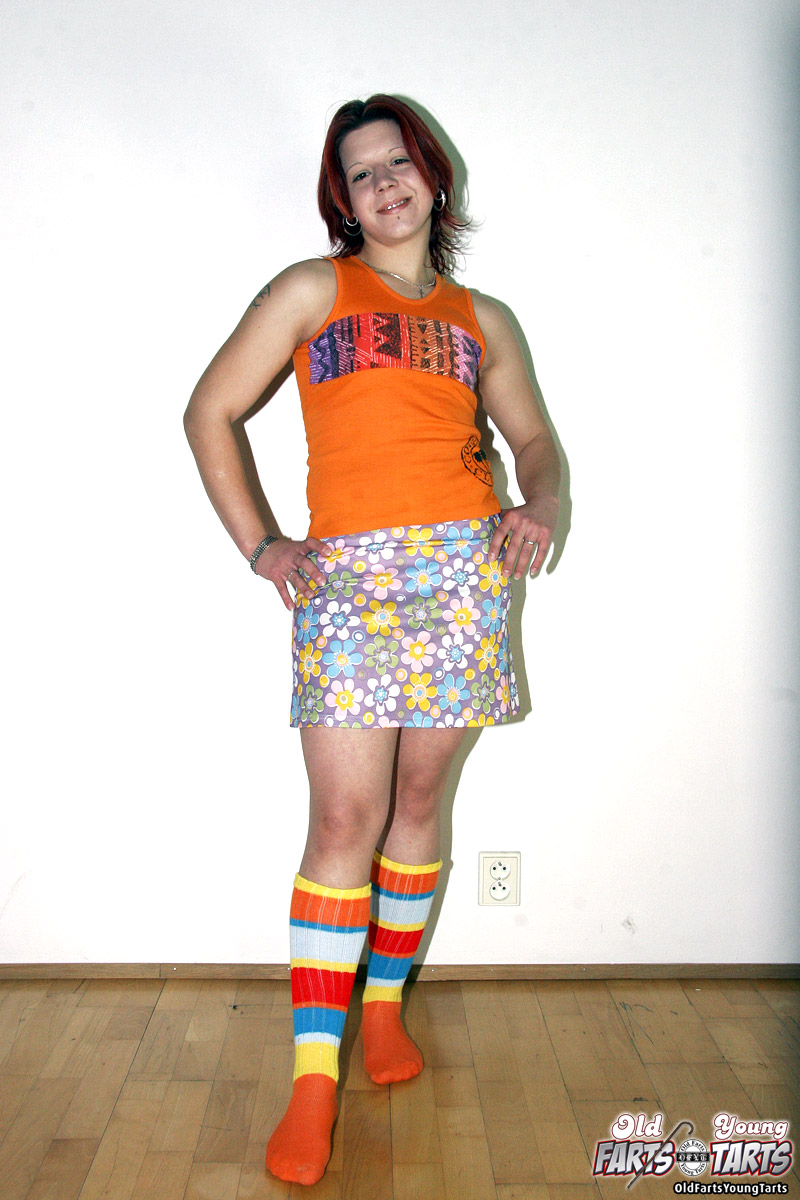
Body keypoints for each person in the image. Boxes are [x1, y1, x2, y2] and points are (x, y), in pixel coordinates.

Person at [184, 94, 560, 1186]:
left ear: (432, 176)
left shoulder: (483, 317)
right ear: (342, 200)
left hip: (464, 573)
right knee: (344, 816)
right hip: (348, 579)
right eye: (361, 172)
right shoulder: (312, 289)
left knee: (416, 802)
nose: (385, 182)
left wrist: (539, 503)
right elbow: (209, 412)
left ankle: (383, 1010)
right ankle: (314, 1079)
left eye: (399, 162)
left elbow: (533, 439)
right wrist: (262, 547)